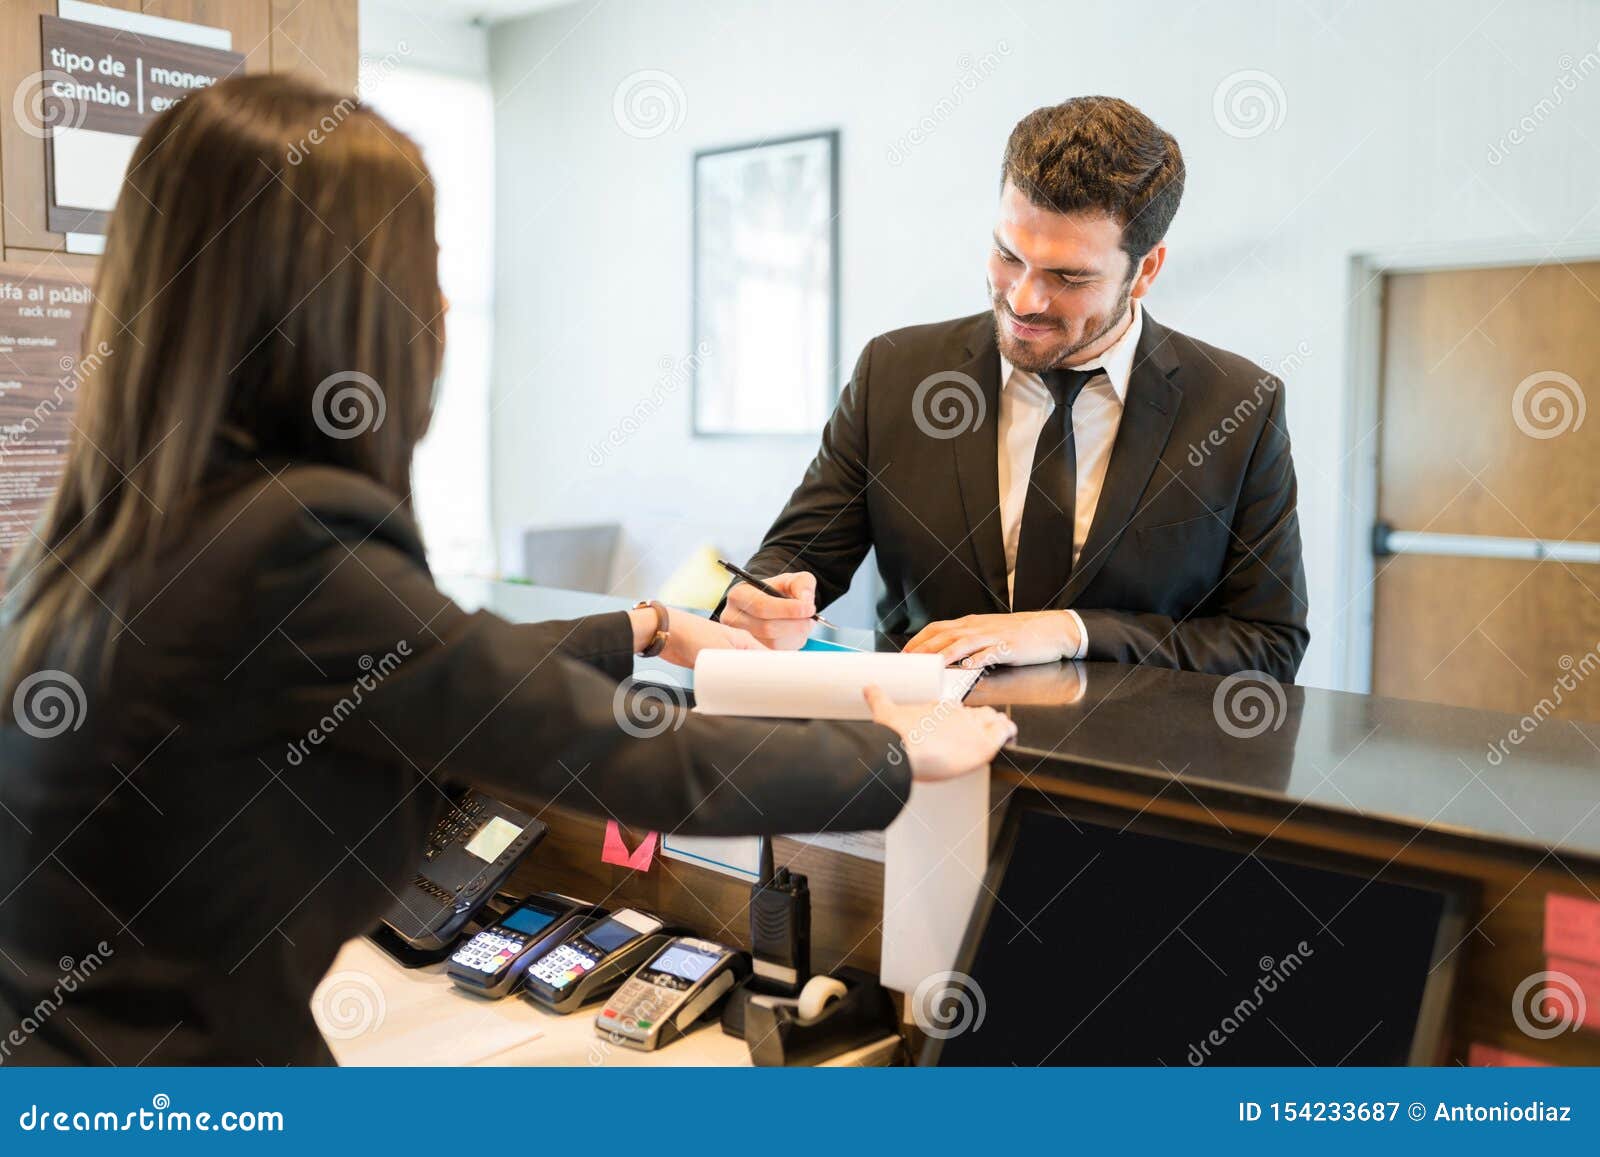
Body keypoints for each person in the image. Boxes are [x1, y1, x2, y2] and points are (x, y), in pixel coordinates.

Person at [0, 75, 1015, 1066]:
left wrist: (643, 627)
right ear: (342, 303)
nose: (441, 299)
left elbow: (435, 667)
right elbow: (613, 751)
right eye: (421, 263)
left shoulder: (118, 525)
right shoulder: (293, 539)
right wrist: (888, 750)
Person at [719, 96, 1308, 683]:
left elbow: (1270, 642)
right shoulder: (896, 373)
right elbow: (797, 556)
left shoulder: (1239, 405)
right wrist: (768, 594)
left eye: (1069, 276)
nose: (1024, 300)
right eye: (1009, 255)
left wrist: (1070, 631)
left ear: (1145, 271)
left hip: (1132, 768)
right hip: (916, 757)